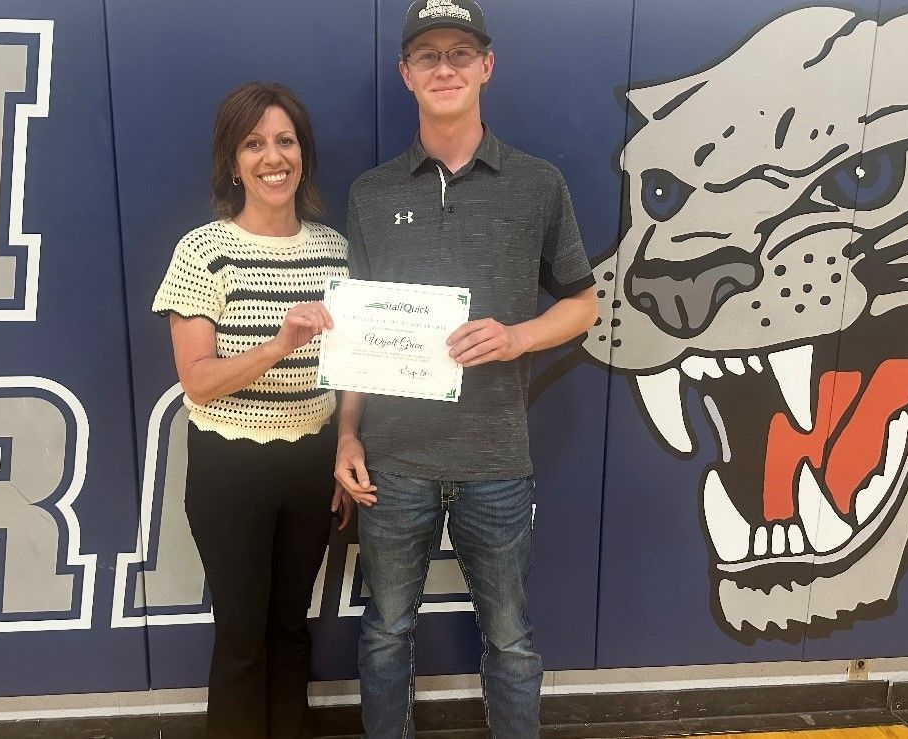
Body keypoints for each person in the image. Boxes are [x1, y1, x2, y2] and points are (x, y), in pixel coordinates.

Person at [334, 1, 599, 736]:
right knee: (386, 632)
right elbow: (356, 334)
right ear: (405, 74)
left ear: (487, 66)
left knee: (510, 639)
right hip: (394, 461)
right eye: (428, 56)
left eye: (459, 53)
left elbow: (583, 304)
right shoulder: (371, 193)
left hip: (496, 459)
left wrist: (516, 337)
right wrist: (348, 435)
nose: (443, 68)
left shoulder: (537, 182)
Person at [152, 81, 351, 739]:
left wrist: (346, 448)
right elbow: (198, 382)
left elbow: (353, 368)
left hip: (312, 460)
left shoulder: (336, 252)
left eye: (285, 141)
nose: (273, 157)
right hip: (228, 467)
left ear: (304, 153)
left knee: (292, 628)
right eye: (254, 143)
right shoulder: (203, 251)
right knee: (242, 635)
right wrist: (279, 345)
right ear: (232, 161)